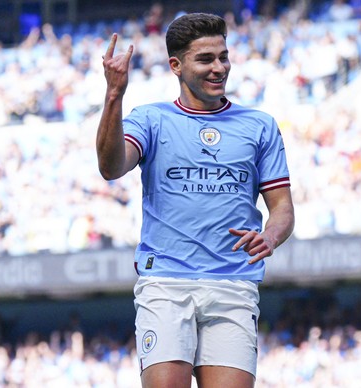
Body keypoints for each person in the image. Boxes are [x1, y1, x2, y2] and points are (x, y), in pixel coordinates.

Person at [96, 12, 295, 388]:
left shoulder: (260, 126)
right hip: (166, 282)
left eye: (223, 57)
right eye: (205, 59)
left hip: (234, 284)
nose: (219, 68)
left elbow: (282, 208)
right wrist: (113, 95)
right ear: (176, 65)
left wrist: (270, 237)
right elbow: (111, 167)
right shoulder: (150, 119)